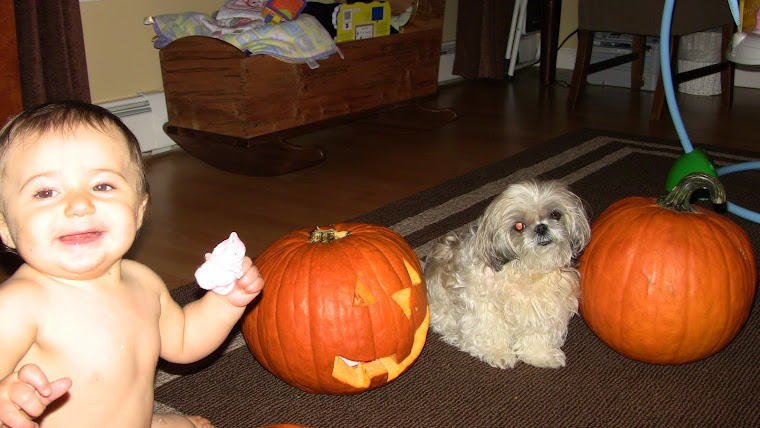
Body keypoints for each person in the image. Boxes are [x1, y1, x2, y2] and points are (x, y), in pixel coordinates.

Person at [0, 101, 264, 428]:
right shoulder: (17, 305)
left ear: (138, 213)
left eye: (102, 185)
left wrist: (224, 302)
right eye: (45, 192)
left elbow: (182, 340)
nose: (79, 205)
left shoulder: (143, 281)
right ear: (5, 228)